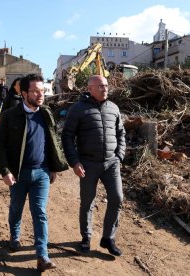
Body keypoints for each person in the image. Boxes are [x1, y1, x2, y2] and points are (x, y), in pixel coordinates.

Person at [0, 74, 68, 272]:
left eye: (42, 91)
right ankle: (15, 235)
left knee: (40, 213)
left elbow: (52, 142)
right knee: (16, 208)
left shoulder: (46, 113)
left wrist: (53, 167)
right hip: (18, 174)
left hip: (42, 173)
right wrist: (5, 170)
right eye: (36, 91)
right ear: (24, 93)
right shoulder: (9, 115)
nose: (40, 94)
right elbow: (0, 146)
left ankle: (42, 256)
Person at [61, 75, 126, 257]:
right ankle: (86, 237)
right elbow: (67, 136)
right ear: (90, 88)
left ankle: (108, 238)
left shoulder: (113, 108)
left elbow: (121, 133)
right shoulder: (78, 109)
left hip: (111, 163)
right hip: (88, 164)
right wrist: (74, 161)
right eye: (100, 86)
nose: (105, 89)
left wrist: (119, 156)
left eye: (106, 85)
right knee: (88, 202)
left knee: (117, 198)